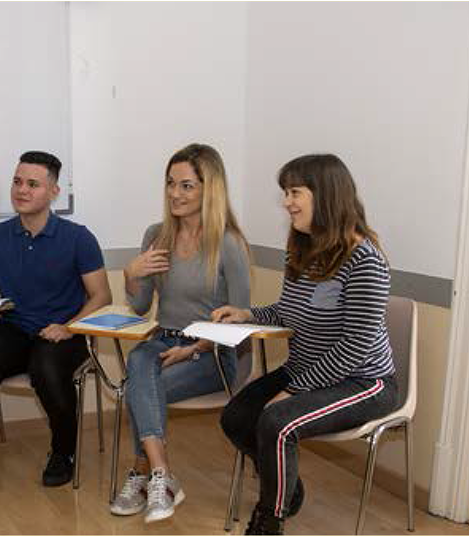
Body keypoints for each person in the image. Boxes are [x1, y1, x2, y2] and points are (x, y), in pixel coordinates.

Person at [213, 154, 399, 535]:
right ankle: (288, 489)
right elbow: (289, 311)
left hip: (364, 383)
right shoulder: (302, 250)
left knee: (278, 421)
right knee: (236, 417)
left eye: (295, 192)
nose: (287, 202)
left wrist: (295, 391)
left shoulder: (365, 261)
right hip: (307, 372)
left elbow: (355, 347)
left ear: (326, 195)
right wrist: (247, 313)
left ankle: (270, 518)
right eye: (285, 192)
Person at [0, 151, 112, 514]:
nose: (21, 190)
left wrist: (69, 328)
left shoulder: (78, 238)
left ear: (53, 191)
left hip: (66, 332)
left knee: (46, 368)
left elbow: (102, 296)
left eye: (32, 184)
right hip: (16, 327)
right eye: (17, 181)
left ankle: (63, 451)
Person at [112, 144, 251, 523]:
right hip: (164, 340)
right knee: (142, 365)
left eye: (187, 185)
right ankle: (161, 474)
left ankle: (144, 474)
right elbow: (140, 308)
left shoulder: (228, 243)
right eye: (171, 184)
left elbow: (243, 323)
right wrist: (131, 275)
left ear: (210, 189)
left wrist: (196, 349)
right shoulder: (156, 235)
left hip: (216, 352)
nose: (175, 193)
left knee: (139, 386)